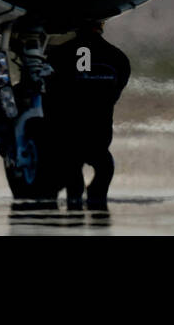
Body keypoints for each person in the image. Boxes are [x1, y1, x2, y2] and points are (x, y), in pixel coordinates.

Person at [44, 24, 131, 208]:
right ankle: (97, 209)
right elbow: (116, 92)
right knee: (104, 168)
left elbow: (48, 92)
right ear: (102, 26)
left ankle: (76, 211)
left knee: (74, 180)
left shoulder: (61, 54)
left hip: (69, 135)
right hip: (99, 133)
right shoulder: (117, 57)